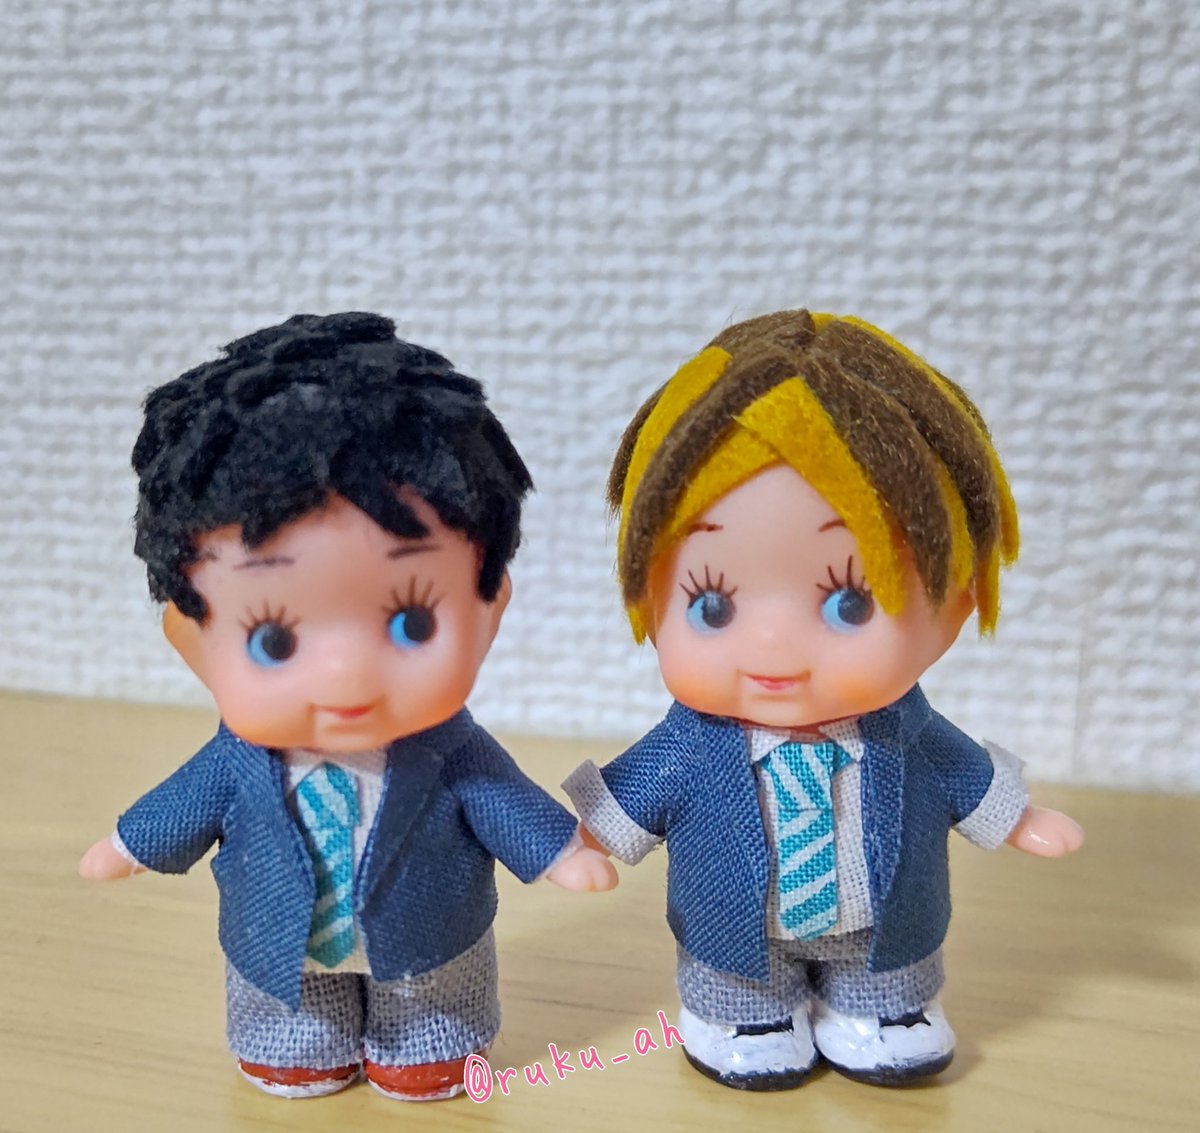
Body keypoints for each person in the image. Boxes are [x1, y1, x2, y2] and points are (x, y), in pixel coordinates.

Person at [80, 312, 615, 1100]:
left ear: (487, 614)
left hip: (431, 940)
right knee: (286, 1001)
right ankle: (294, 1042)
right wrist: (130, 842)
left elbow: (501, 798)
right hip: (278, 944)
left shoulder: (451, 752)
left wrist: (560, 851)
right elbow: (184, 802)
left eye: (412, 622)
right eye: (273, 639)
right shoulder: (239, 760)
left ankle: (430, 1041)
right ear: (194, 646)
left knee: (433, 1002)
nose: (345, 675)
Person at [565, 309, 1082, 1090]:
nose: (775, 647)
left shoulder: (906, 733)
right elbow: (636, 793)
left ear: (953, 603)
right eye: (712, 603)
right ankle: (744, 1016)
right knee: (735, 980)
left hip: (885, 931)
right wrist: (582, 838)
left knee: (892, 975)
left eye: (849, 602)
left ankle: (887, 1012)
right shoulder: (693, 742)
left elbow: (959, 769)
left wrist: (1018, 816)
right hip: (734, 938)